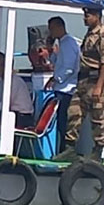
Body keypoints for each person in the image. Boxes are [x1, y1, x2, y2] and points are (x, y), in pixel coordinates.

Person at [56, 7, 104, 163]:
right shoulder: (89, 34)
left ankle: (97, 151)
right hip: (83, 81)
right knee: (74, 113)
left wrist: (99, 87)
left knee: (97, 118)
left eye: (88, 15)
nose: (85, 18)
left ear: (97, 16)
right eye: (84, 15)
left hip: (95, 81)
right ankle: (70, 148)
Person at [44, 16, 80, 152]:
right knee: (60, 122)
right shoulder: (62, 44)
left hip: (67, 89)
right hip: (61, 88)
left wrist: (56, 79)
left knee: (64, 122)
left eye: (52, 29)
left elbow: (69, 67)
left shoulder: (69, 43)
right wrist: (50, 50)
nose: (50, 33)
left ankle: (65, 150)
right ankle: (61, 149)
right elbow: (57, 62)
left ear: (60, 27)